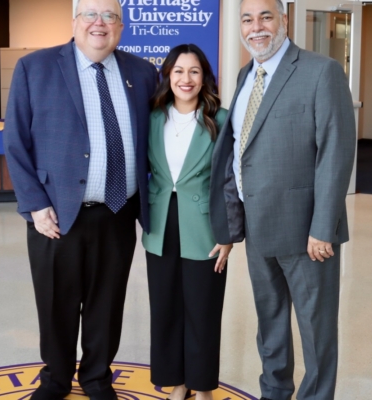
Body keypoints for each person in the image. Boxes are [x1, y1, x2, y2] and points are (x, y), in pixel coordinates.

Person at [3, 0, 157, 399]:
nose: (99, 23)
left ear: (121, 27)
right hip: (55, 214)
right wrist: (34, 205)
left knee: (107, 304)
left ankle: (96, 378)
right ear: (74, 22)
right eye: (90, 14)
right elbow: (15, 141)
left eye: (109, 16)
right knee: (57, 304)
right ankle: (55, 379)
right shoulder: (35, 68)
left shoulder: (142, 73)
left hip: (119, 210)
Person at [209, 0, 356, 399]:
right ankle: (274, 391)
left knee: (315, 328)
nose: (256, 27)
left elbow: (335, 153)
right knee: (269, 324)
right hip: (259, 228)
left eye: (266, 17)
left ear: (284, 20)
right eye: (247, 19)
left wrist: (323, 228)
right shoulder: (244, 75)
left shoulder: (320, 72)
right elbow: (241, 151)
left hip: (308, 235)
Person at [141, 44, 233, 400]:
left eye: (194, 71)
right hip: (160, 226)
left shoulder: (220, 120)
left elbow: (231, 181)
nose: (186, 78)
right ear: (167, 74)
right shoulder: (152, 117)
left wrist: (228, 235)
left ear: (204, 77)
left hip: (206, 229)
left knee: (203, 312)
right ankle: (178, 384)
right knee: (165, 309)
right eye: (178, 71)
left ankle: (205, 386)